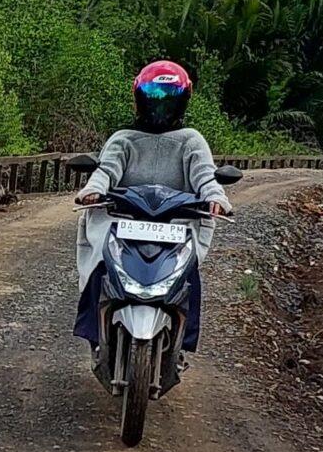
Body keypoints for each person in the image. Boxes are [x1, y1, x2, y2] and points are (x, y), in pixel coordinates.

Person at [72, 61, 232, 353]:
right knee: (100, 267)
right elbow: (106, 170)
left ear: (183, 101)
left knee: (188, 274)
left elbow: (205, 175)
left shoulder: (191, 141)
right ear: (139, 99)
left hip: (176, 225)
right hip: (123, 222)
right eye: (154, 97)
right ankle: (96, 336)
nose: (160, 106)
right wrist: (93, 190)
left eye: (168, 99)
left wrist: (216, 197)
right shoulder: (123, 139)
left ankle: (181, 343)